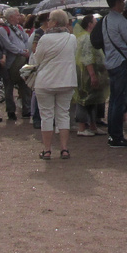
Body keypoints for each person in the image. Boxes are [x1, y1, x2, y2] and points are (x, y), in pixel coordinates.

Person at [27, 10, 77, 159]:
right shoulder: (72, 38)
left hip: (46, 81)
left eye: (49, 19)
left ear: (54, 22)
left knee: (47, 116)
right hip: (66, 80)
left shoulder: (44, 39)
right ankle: (64, 148)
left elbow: (37, 59)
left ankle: (47, 149)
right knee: (63, 114)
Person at [102, 0, 127, 148]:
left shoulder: (105, 20)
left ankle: (112, 134)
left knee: (113, 100)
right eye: (123, 1)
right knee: (120, 100)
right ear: (117, 3)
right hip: (121, 61)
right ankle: (117, 136)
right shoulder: (121, 21)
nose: (124, 3)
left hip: (110, 61)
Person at [72, 15, 108, 136]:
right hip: (86, 73)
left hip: (90, 71)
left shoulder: (86, 36)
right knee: (84, 99)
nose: (96, 22)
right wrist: (92, 75)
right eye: (94, 21)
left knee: (93, 99)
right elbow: (87, 58)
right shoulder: (87, 38)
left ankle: (93, 125)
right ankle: (82, 127)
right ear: (89, 24)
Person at [0, 8, 33, 120]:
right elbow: (7, 45)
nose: (19, 17)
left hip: (22, 59)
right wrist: (21, 51)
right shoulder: (3, 30)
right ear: (11, 17)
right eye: (17, 15)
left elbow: (26, 40)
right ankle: (10, 110)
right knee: (9, 87)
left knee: (25, 85)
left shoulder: (19, 28)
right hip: (11, 62)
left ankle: (26, 109)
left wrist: (26, 50)